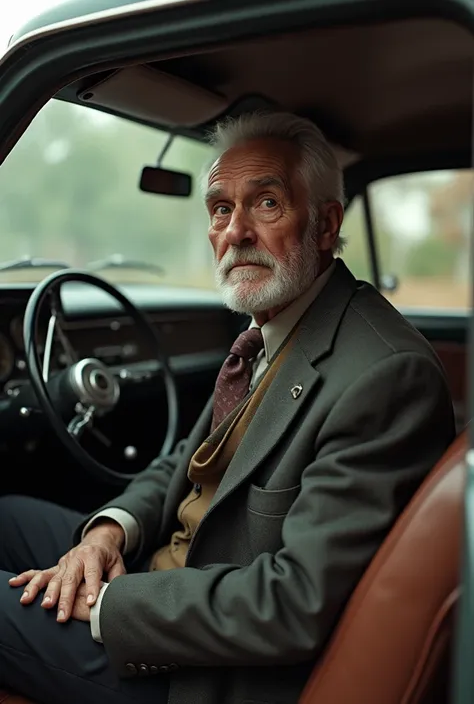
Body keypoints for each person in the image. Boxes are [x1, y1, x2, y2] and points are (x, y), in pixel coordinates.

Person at [0, 111, 455, 704]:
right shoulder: (273, 329)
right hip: (172, 579)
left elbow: (293, 604)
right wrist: (108, 535)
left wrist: (109, 604)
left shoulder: (384, 375)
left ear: (325, 224)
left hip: (203, 667)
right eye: (220, 208)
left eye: (266, 203)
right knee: (7, 515)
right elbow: (185, 465)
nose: (235, 231)